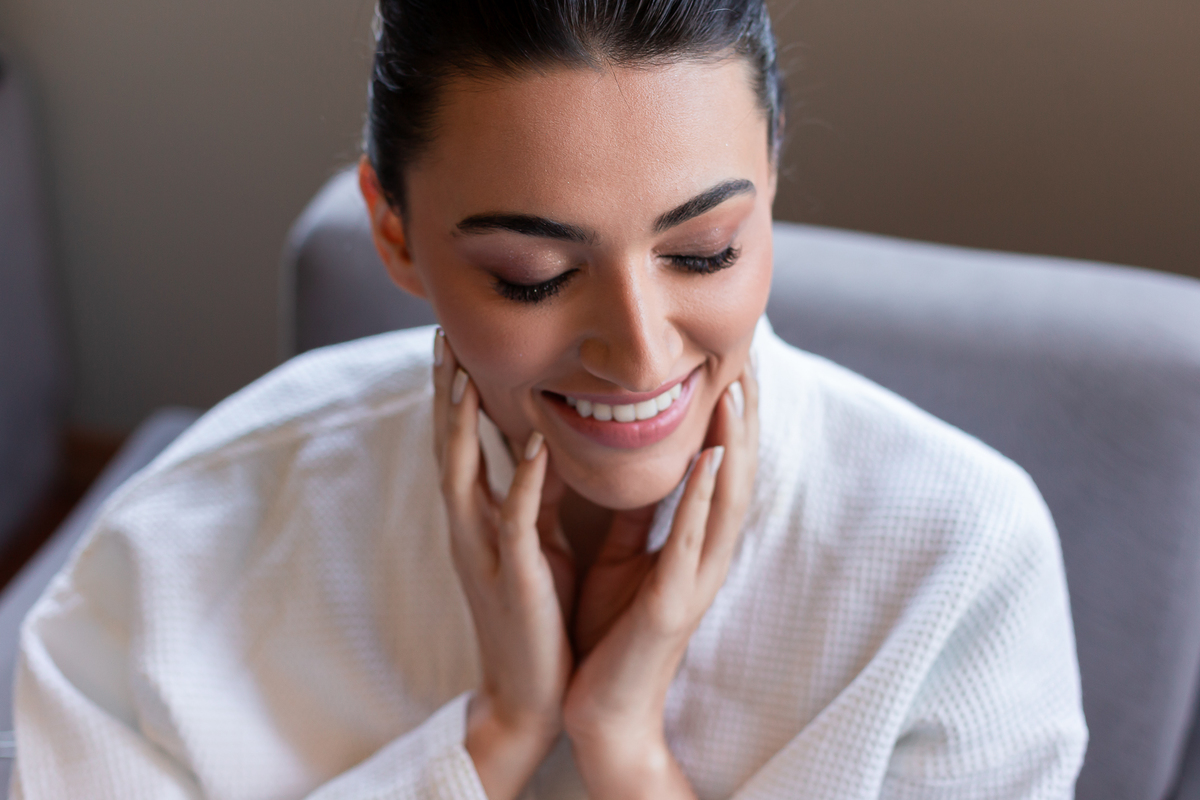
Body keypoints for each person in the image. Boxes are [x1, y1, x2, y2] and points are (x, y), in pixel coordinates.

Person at [9, 1, 1087, 798]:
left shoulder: (959, 564)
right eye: (532, 273)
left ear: (773, 167)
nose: (637, 349)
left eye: (705, 251)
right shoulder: (185, 546)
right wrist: (493, 734)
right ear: (393, 229)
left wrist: (625, 749)